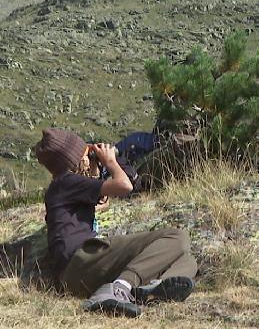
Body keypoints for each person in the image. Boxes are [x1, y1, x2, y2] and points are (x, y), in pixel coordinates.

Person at [33, 127, 197, 317]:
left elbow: (109, 192)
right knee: (176, 237)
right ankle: (120, 287)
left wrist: (96, 171)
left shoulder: (64, 187)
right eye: (87, 153)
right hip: (79, 262)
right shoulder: (65, 182)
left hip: (80, 272)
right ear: (75, 160)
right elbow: (124, 186)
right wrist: (109, 161)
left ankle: (149, 290)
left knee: (186, 259)